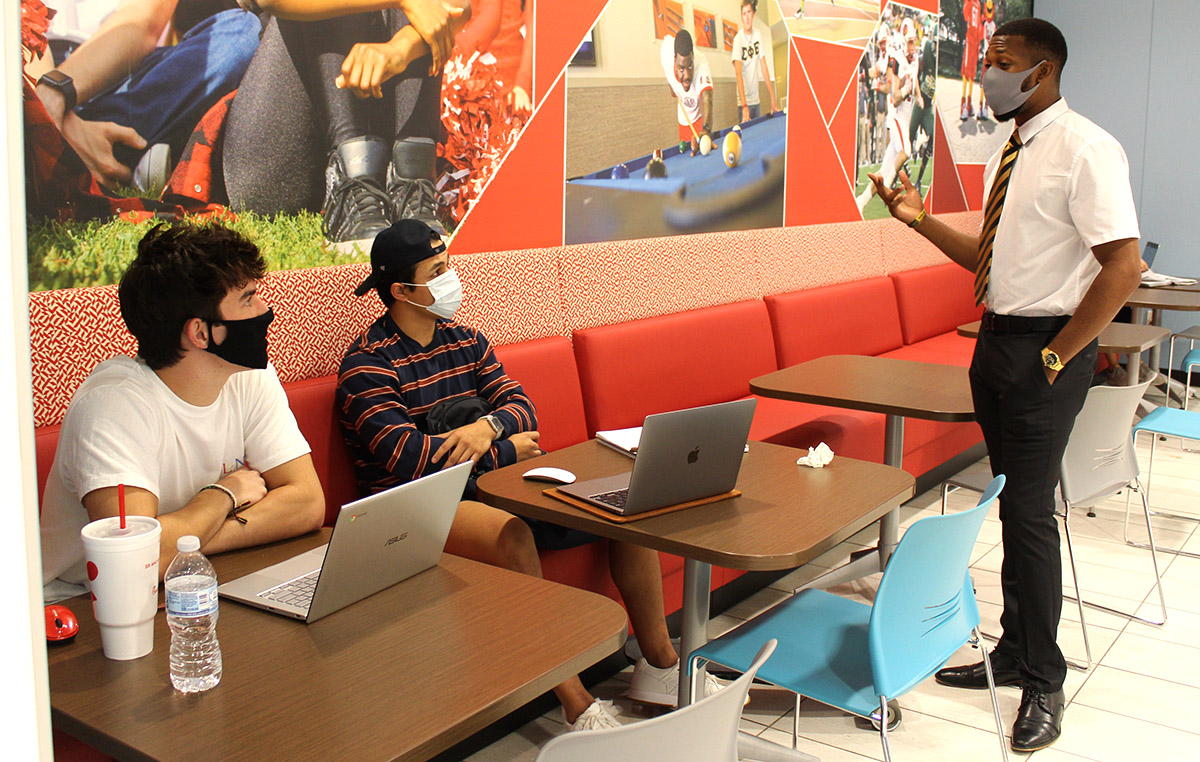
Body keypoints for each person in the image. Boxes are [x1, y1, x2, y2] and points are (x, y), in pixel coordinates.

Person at [868, 18, 1142, 752]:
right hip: (995, 342)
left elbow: (1123, 266)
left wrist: (1058, 356)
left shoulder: (1086, 148)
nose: (986, 74)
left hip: (1043, 353)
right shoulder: (1013, 150)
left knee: (1026, 515)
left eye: (1001, 62)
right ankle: (1015, 650)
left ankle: (1044, 682)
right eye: (987, 60)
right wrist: (920, 220)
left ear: (1042, 71)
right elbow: (993, 267)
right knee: (1009, 504)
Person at [337, 220, 724, 731]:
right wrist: (503, 447)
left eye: (448, 262)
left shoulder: (467, 341)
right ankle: (575, 703)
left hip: (492, 481)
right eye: (438, 271)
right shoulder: (367, 365)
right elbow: (412, 461)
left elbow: (523, 410)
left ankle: (658, 664)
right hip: (419, 508)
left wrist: (486, 430)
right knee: (512, 533)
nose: (451, 277)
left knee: (621, 502)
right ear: (402, 291)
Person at [40, 223, 326, 603]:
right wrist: (223, 495)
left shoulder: (248, 376)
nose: (265, 310)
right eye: (248, 298)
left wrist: (182, 545)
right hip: (85, 612)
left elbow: (307, 503)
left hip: (193, 585)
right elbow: (133, 560)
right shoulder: (113, 406)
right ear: (202, 332)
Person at [228, 0, 471, 250]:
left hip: (383, 142)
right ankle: (351, 184)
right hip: (282, 156)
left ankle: (412, 188)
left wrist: (401, 48)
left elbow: (458, 6)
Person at [27, 0, 260, 193]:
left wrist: (55, 92)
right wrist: (46, 95)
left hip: (119, 68)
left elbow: (141, 21)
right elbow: (18, 31)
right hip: (27, 69)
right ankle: (115, 157)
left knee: (241, 33)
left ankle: (52, 150)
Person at [856, 17, 918, 214]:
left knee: (884, 171)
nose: (913, 46)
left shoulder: (910, 62)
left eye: (914, 41)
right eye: (909, 41)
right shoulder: (895, 59)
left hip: (906, 118)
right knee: (906, 150)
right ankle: (888, 188)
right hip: (898, 116)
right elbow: (895, 94)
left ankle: (861, 201)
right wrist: (865, 77)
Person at [660, 30, 713, 151]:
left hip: (700, 117)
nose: (687, 75)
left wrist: (706, 130)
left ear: (693, 57)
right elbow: (668, 72)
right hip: (684, 119)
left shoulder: (701, 64)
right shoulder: (666, 53)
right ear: (674, 60)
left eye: (690, 66)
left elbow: (707, 98)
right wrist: (672, 85)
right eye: (681, 69)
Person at [731, 0, 778, 124]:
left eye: (749, 13)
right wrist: (744, 105)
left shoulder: (758, 34)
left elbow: (764, 67)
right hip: (744, 104)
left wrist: (773, 99)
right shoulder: (738, 40)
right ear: (741, 17)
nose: (747, 17)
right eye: (744, 14)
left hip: (756, 101)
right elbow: (738, 73)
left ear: (753, 14)